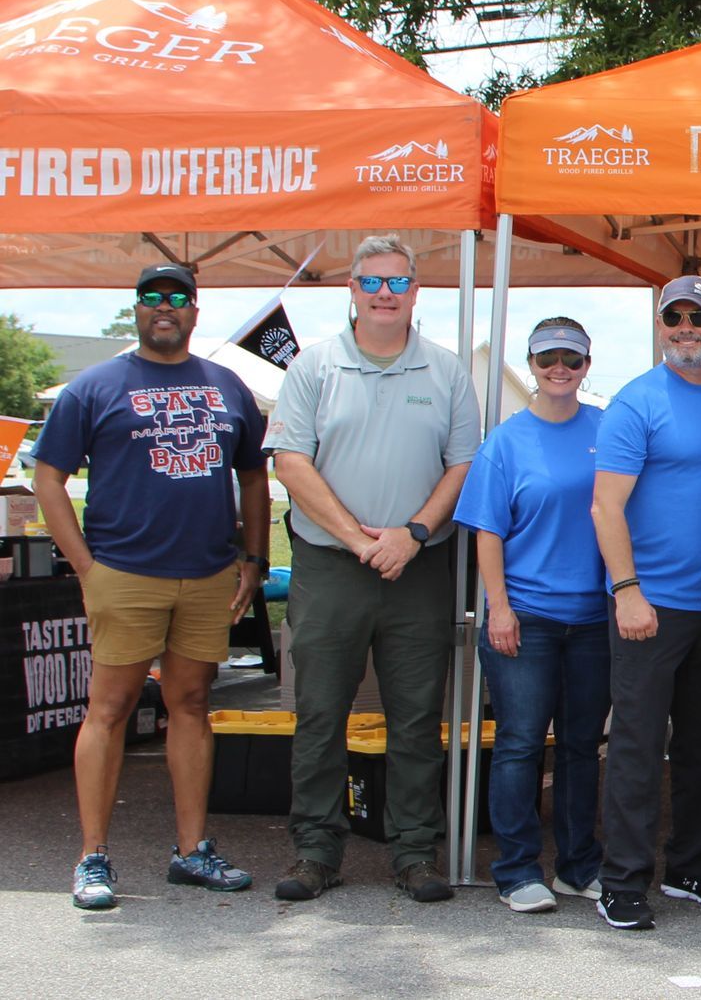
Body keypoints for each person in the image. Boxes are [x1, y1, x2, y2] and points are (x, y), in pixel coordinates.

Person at [33, 264, 268, 910]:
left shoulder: (227, 385)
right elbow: (48, 477)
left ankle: (192, 851)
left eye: (178, 297)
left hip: (207, 573)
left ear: (195, 311)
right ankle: (93, 857)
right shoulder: (95, 386)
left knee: (191, 702)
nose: (165, 306)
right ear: (137, 309)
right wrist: (85, 566)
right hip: (124, 570)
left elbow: (253, 475)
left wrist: (253, 557)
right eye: (152, 297)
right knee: (109, 708)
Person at [268, 235, 479, 903]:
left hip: (419, 566)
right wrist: (358, 540)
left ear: (416, 291)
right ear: (351, 290)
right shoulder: (314, 366)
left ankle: (414, 852)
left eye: (397, 282)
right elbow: (290, 462)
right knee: (321, 713)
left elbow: (463, 466)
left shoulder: (446, 371)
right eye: (371, 282)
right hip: (333, 565)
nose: (384, 294)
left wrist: (412, 534)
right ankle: (316, 850)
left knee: (416, 719)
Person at [591, 276, 701, 931]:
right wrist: (627, 590)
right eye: (674, 317)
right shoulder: (636, 401)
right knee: (636, 746)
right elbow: (606, 506)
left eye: (698, 317)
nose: (686, 327)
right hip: (648, 605)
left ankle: (690, 865)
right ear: (661, 326)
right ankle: (622, 878)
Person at [452, 318, 609, 914]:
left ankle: (576, 865)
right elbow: (487, 531)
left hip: (594, 617)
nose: (559, 368)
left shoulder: (607, 428)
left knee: (580, 746)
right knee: (519, 744)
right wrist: (499, 607)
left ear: (587, 365)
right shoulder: (505, 442)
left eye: (571, 357)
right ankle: (517, 870)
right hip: (526, 616)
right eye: (547, 358)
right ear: (531, 364)